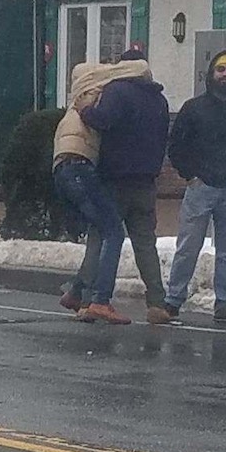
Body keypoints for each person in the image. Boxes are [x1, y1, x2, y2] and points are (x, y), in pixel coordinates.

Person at [69, 49, 172, 326]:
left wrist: (84, 110)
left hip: (114, 180)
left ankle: (88, 300)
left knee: (101, 238)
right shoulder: (159, 100)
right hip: (145, 183)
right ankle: (157, 303)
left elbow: (103, 120)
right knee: (145, 244)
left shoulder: (117, 91)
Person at [164, 50, 226, 325]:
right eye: (220, 69)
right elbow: (176, 145)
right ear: (211, 74)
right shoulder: (193, 109)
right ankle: (173, 301)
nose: (225, 74)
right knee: (188, 247)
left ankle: (224, 303)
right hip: (200, 188)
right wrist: (189, 176)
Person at [52, 59, 151, 326]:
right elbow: (105, 120)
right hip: (80, 168)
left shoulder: (75, 103)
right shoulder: (89, 101)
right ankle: (101, 301)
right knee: (114, 232)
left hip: (64, 170)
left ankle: (76, 292)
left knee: (99, 230)